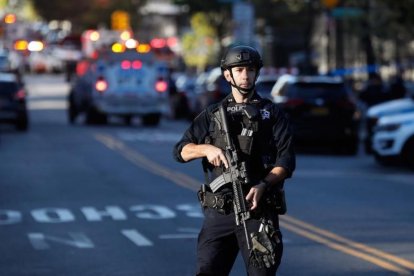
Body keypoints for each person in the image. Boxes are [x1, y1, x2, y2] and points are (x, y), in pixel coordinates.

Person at [173, 45, 296, 276]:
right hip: (220, 213)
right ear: (227, 74)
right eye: (239, 69)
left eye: (250, 69)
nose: (245, 75)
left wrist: (264, 185)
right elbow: (180, 151)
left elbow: (286, 161)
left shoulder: (272, 114)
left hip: (258, 210)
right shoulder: (212, 114)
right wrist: (206, 149)